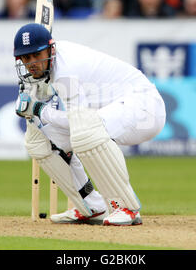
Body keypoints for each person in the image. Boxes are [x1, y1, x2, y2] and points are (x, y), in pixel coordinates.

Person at [13, 23, 166, 226]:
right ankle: (91, 206)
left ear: (51, 49)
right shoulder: (49, 66)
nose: (31, 63)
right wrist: (32, 109)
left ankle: (125, 206)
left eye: (36, 55)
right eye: (25, 58)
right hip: (112, 111)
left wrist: (39, 110)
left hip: (144, 107)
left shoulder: (66, 69)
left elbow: (76, 121)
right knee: (39, 142)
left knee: (84, 131)